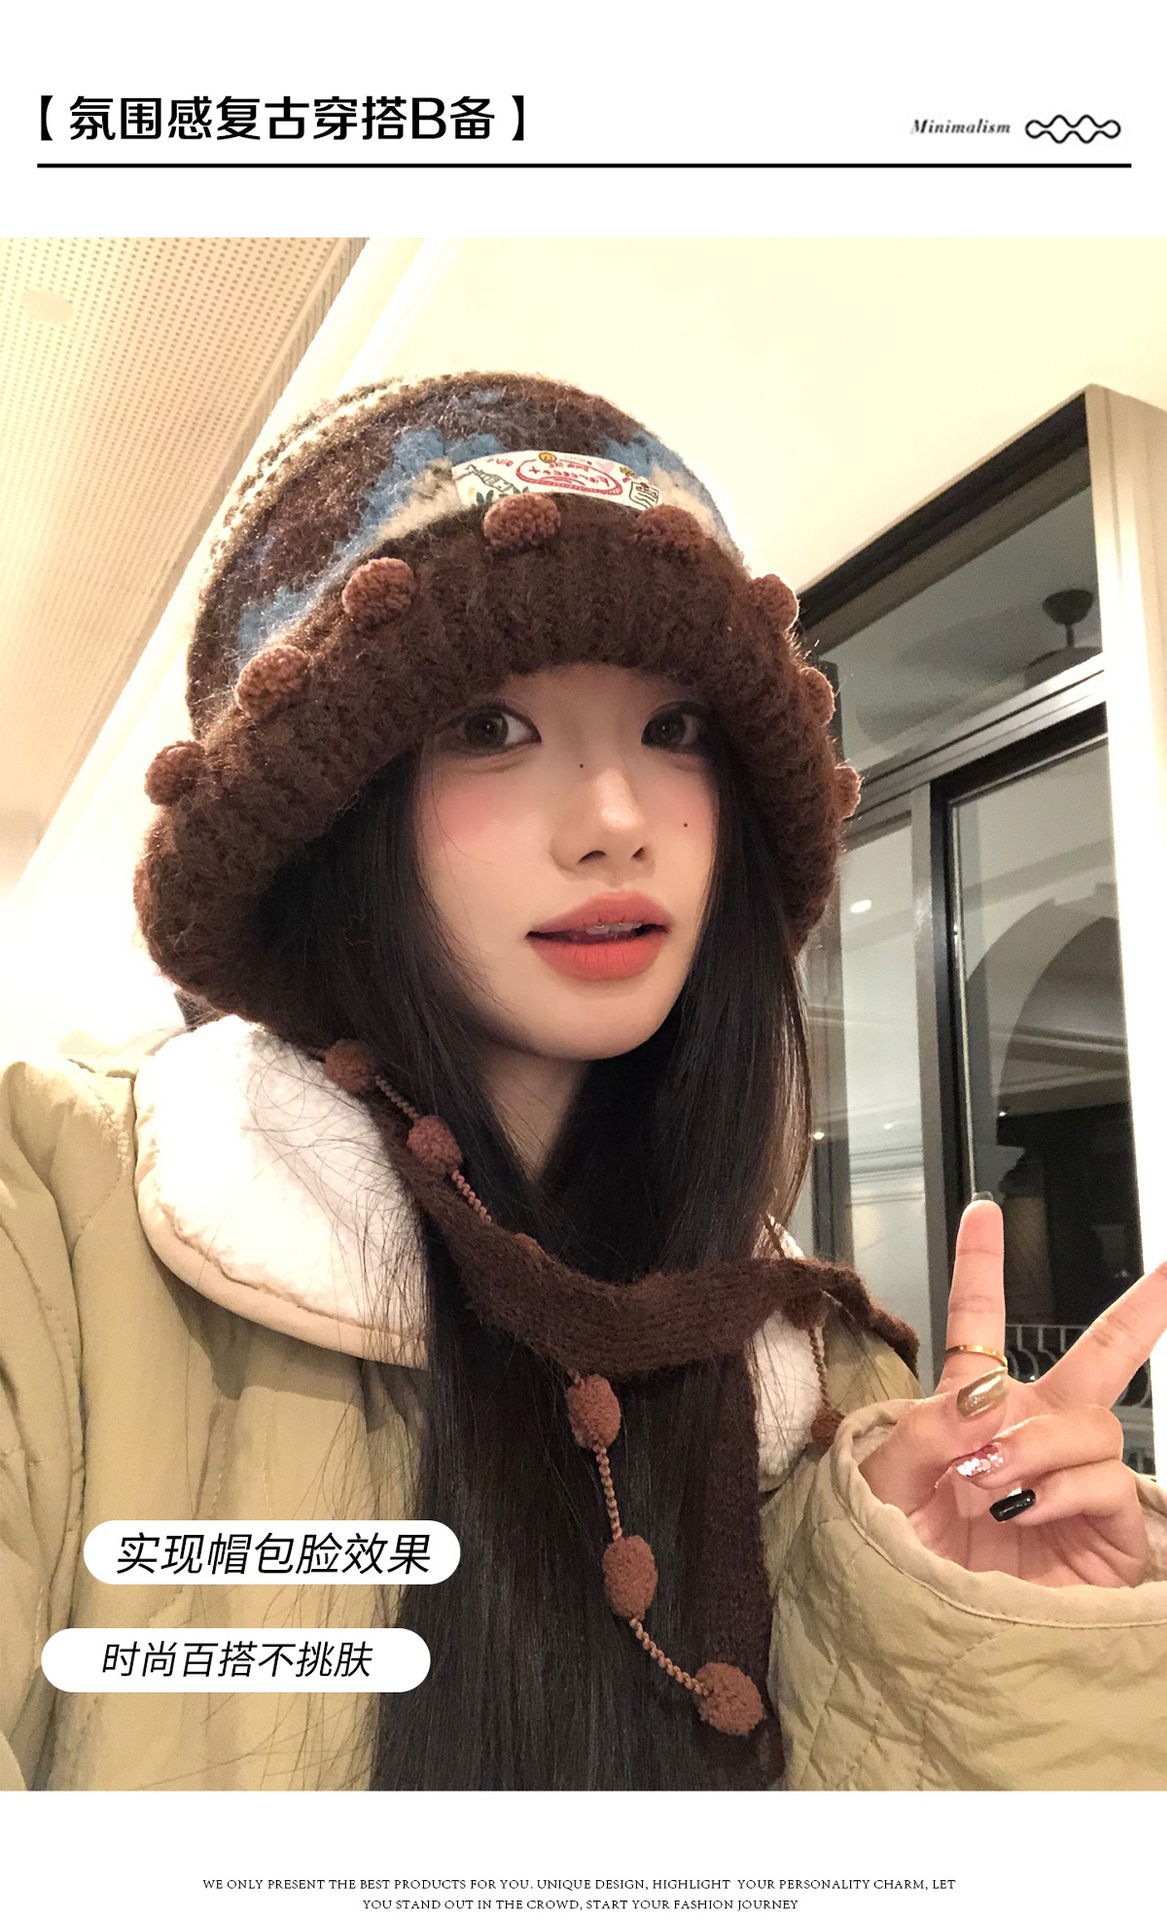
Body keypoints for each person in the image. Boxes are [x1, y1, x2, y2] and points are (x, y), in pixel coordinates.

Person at [2, 372, 1164, 1794]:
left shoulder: (830, 1383)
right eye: (488, 727)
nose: (617, 821)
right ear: (329, 817)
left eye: (675, 732)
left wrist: (974, 1632)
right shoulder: (54, 1236)